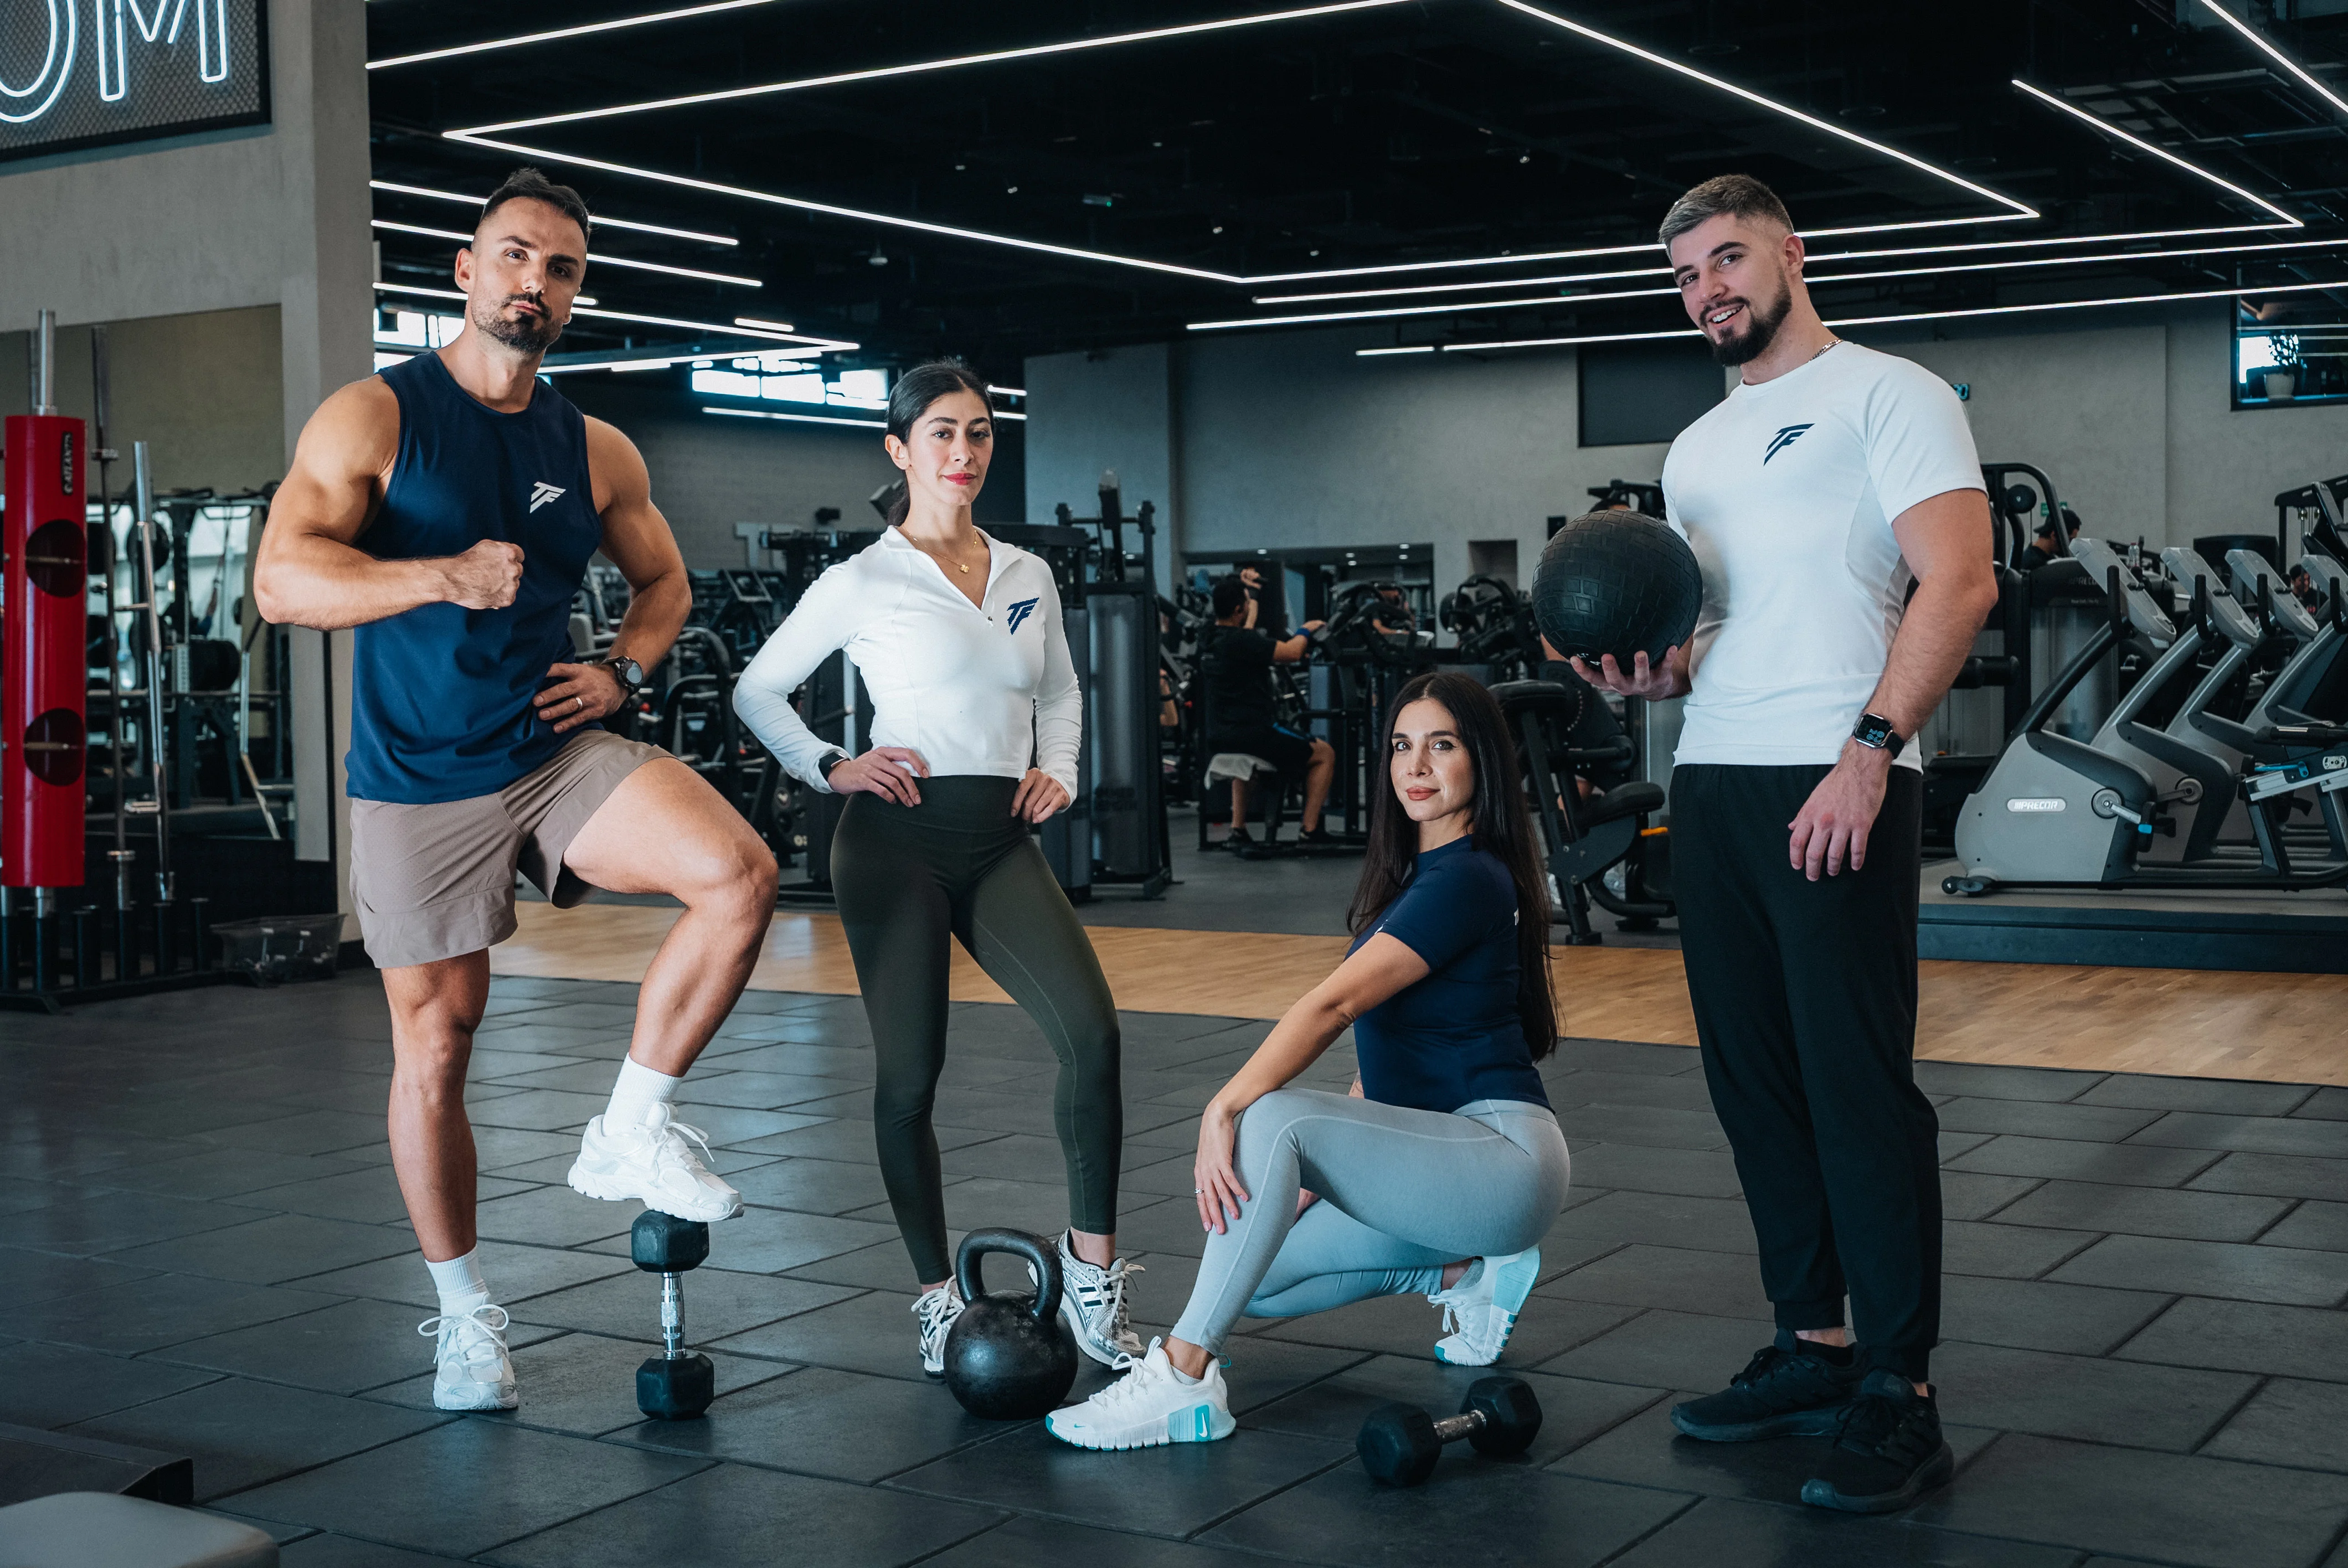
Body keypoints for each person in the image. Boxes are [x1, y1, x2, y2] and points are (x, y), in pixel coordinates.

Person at [254, 168, 780, 1414]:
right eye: (511, 257)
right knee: (437, 1045)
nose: (531, 283)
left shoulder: (594, 446)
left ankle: (629, 1129)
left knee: (738, 874)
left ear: (575, 294)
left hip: (552, 749)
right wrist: (436, 578)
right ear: (465, 269)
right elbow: (283, 584)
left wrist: (621, 671)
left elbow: (665, 586)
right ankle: (464, 1316)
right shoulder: (374, 418)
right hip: (416, 780)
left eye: (557, 269)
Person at [1574, 173, 1999, 1514]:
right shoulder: (1693, 452)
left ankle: (1898, 1385)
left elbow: (1960, 578)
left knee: (1854, 1082)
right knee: (1752, 1081)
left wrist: (1869, 753)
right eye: (1686, 276)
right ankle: (1809, 1341)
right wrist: (1654, 680)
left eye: (1725, 258)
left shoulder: (1892, 394)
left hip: (1838, 773)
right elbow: (1716, 635)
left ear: (1787, 253)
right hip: (1709, 783)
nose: (1708, 288)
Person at [730, 360, 1141, 1375]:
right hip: (894, 841)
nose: (964, 454)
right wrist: (832, 764)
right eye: (944, 434)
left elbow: (1061, 692)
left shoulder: (1027, 573)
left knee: (1091, 1036)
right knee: (911, 1078)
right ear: (899, 448)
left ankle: (1092, 1276)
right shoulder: (863, 579)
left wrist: (1061, 769)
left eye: (981, 433)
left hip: (999, 837)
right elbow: (757, 691)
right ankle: (934, 1296)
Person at [1044, 671, 1571, 1450]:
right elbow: (1393, 1043)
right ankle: (1466, 1276)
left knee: (1272, 1117)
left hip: (1502, 1163)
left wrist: (1224, 1108)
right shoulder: (1419, 880)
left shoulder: (1467, 878)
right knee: (1252, 1279)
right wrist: (1312, 1177)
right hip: (1446, 1172)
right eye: (1401, 746)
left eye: (1443, 745)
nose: (1416, 766)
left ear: (1482, 763)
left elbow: (1333, 1007)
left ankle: (1184, 1379)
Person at [1199, 575, 1336, 849]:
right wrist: (1306, 630)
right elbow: (1292, 652)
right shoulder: (1243, 642)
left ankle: (1238, 829)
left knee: (1246, 759)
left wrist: (1252, 603)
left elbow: (1242, 637)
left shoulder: (1208, 637)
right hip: (1255, 731)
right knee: (1324, 754)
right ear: (1239, 610)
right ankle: (1309, 831)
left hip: (1219, 734)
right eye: (1246, 605)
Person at [2015, 503, 2082, 571]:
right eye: (2069, 540)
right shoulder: (2033, 565)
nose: (2069, 545)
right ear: (2054, 535)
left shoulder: (2046, 558)